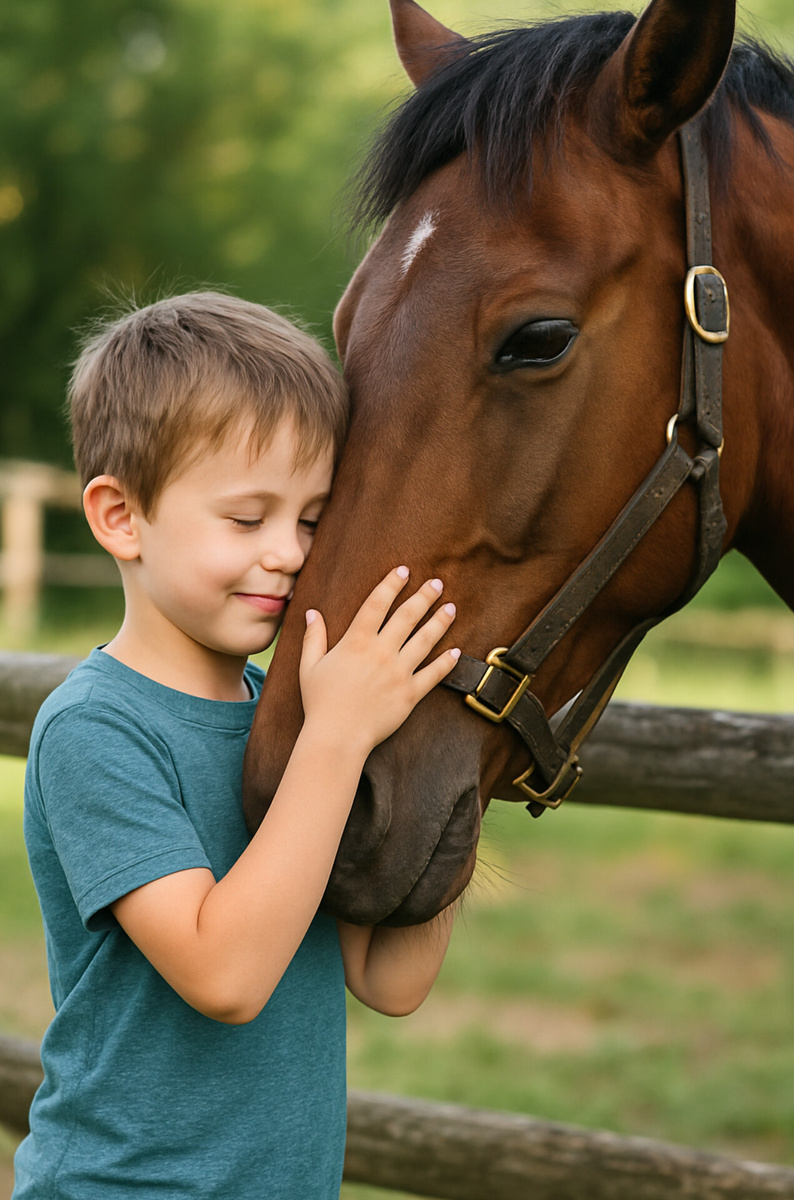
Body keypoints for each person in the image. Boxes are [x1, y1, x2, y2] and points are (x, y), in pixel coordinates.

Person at [13, 291, 460, 1200]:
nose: (290, 553)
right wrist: (338, 736)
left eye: (312, 519)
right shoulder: (97, 728)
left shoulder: (291, 721)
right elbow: (226, 975)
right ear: (121, 516)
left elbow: (390, 977)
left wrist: (454, 758)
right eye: (248, 519)